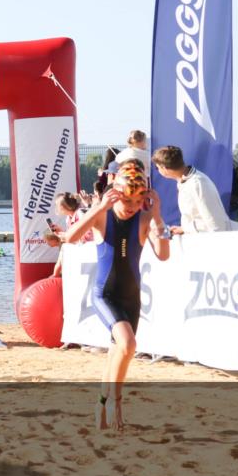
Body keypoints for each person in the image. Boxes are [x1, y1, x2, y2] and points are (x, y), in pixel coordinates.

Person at [64, 162, 171, 430]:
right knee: (128, 344)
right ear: (115, 194)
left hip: (131, 297)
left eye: (138, 200)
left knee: (117, 353)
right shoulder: (104, 216)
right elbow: (71, 238)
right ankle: (116, 401)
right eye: (127, 199)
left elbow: (164, 254)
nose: (132, 206)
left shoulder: (144, 219)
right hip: (105, 294)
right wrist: (98, 208)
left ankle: (101, 403)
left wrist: (157, 215)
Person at [152, 145, 234, 234]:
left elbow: (216, 224)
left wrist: (185, 228)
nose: (158, 171)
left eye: (157, 168)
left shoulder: (198, 183)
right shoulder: (186, 182)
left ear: (164, 168)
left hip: (210, 240)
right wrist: (183, 229)